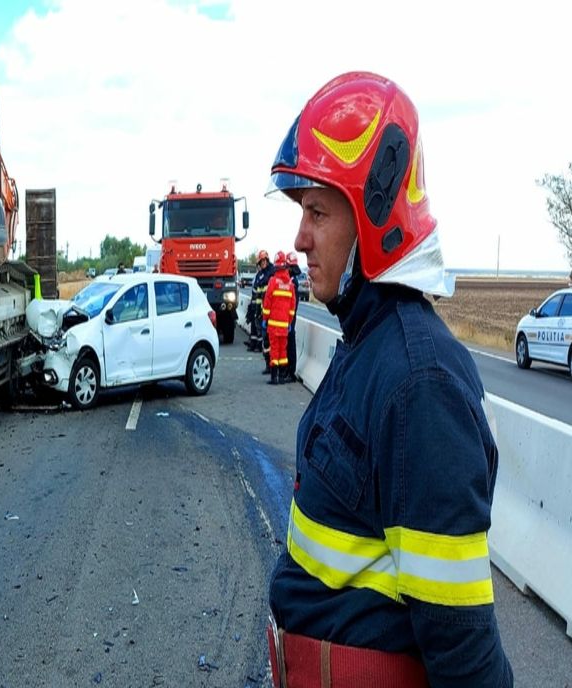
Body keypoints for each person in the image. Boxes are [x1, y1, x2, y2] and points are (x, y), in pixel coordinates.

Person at [264, 72, 512, 686]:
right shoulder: (367, 346)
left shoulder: (419, 383)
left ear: (375, 217)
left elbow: (464, 654)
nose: (299, 238)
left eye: (317, 212)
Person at [261, 251, 296, 385]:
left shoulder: (273, 282)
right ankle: (282, 377)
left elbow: (267, 302)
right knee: (283, 351)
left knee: (274, 350)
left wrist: (265, 318)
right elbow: (292, 306)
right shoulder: (290, 285)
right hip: (284, 325)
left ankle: (274, 377)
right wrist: (289, 322)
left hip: (274, 324)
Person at [246, 249, 274, 355]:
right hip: (258, 305)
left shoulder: (271, 273)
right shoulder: (260, 275)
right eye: (261, 262)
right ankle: (254, 344)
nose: (262, 264)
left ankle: (260, 346)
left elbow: (266, 292)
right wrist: (253, 307)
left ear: (267, 260)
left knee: (263, 330)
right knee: (256, 325)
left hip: (266, 307)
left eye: (264, 261)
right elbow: (256, 291)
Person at [284, 251, 302, 383]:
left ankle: (291, 371)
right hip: (288, 316)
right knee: (287, 343)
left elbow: (293, 303)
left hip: (290, 317)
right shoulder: (291, 280)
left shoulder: (293, 281)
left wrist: (290, 320)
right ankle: (287, 370)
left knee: (290, 343)